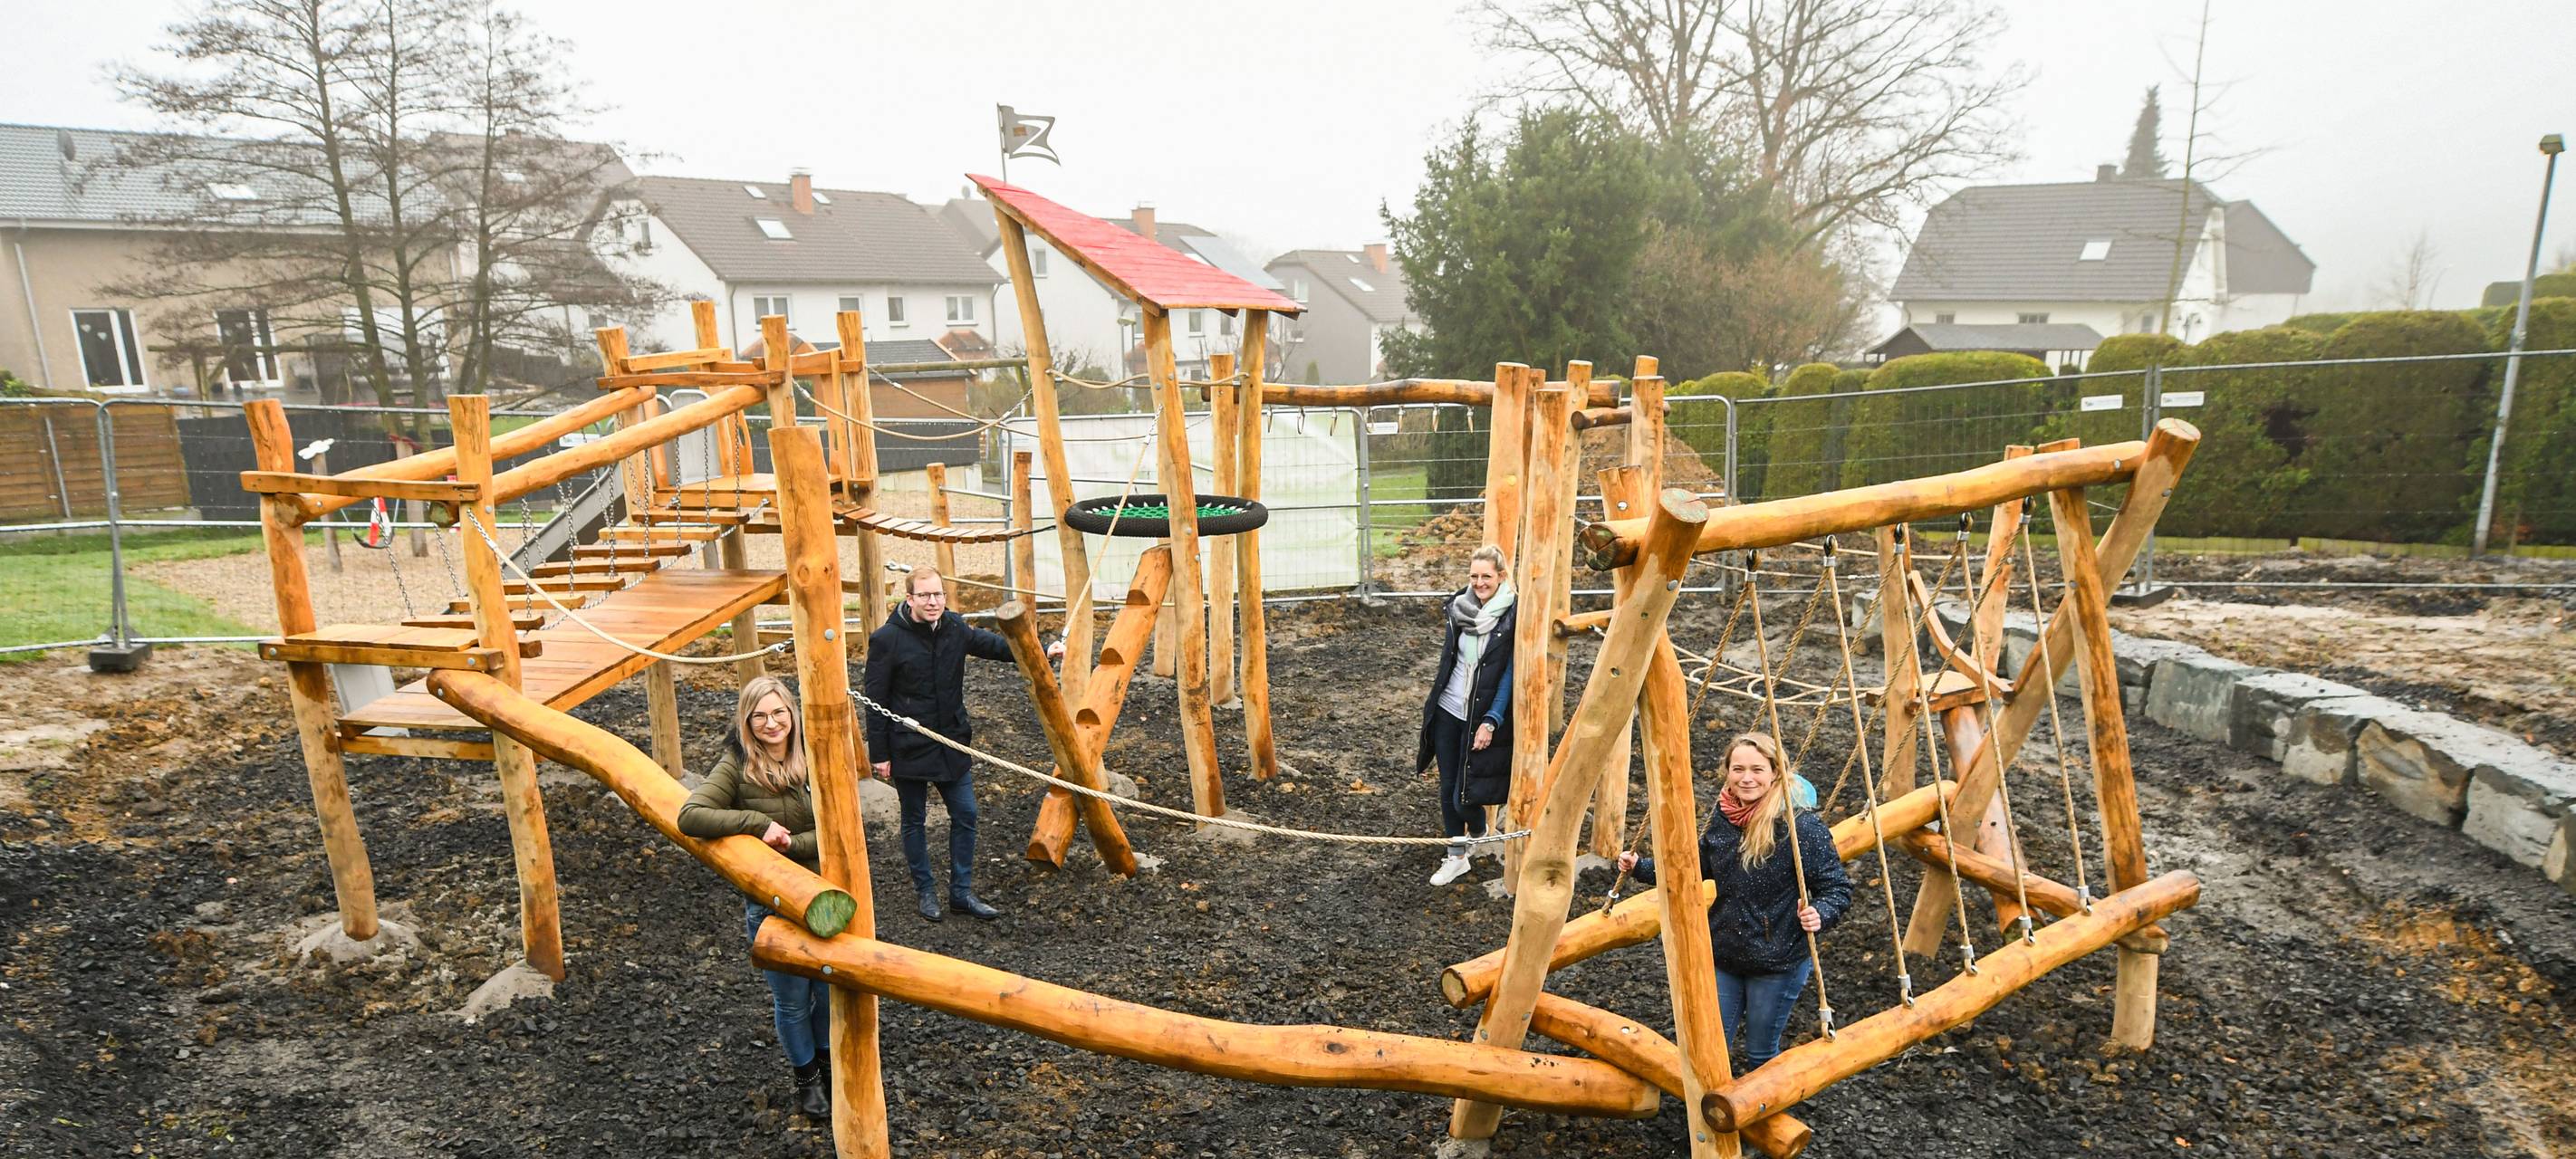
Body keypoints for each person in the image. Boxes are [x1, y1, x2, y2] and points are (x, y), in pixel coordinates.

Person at [1617, 732, 1852, 1071]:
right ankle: (1712, 1118)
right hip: (1724, 953)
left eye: (1757, 769)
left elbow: (1837, 888)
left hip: (1776, 960)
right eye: (1738, 768)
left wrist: (1820, 913)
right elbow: (1694, 866)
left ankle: (1762, 1113)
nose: (1746, 778)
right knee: (1713, 1048)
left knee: (1759, 1054)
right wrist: (1642, 867)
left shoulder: (1801, 827)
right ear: (1726, 771)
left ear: (1776, 772)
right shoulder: (1724, 817)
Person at [676, 675, 833, 1120]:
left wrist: (793, 845)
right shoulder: (737, 763)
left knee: (826, 990)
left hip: (823, 896)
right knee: (791, 1000)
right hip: (771, 902)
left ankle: (827, 1064)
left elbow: (839, 828)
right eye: (759, 716)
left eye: (779, 713)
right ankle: (806, 1081)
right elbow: (691, 815)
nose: (771, 723)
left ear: (792, 714)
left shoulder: (816, 757)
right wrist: (754, 823)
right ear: (747, 721)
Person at [863, 568, 1046, 923]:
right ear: (910, 599)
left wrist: (1035, 649)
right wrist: (880, 754)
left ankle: (961, 893)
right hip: (909, 745)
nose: (933, 602)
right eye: (925, 596)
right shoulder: (887, 639)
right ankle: (926, 891)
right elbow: (875, 699)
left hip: (951, 742)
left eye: (938, 595)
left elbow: (991, 646)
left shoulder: (954, 627)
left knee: (966, 814)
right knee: (914, 820)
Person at [1415, 544, 1515, 887]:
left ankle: (1481, 830)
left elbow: (1508, 677)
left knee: (1463, 793)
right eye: (1474, 576)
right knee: (1447, 787)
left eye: (1486, 576)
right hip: (1447, 709)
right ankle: (1456, 857)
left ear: (1501, 577)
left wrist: (1492, 720)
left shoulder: (1512, 616)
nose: (1479, 582)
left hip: (1479, 715)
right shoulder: (1460, 607)